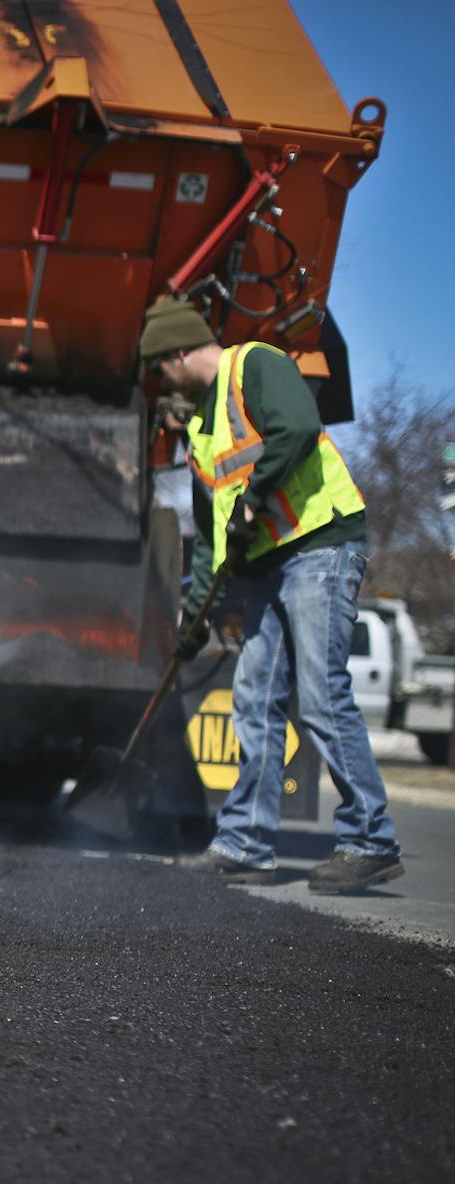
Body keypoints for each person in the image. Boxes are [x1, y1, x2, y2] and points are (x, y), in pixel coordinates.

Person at [140, 296, 403, 892]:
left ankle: (371, 840)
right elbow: (210, 543)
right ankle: (245, 843)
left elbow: (299, 426)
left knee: (321, 695)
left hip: (320, 544)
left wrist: (254, 499)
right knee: (254, 698)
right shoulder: (202, 435)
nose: (161, 381)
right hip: (265, 567)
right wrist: (194, 616)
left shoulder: (255, 365)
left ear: (179, 352)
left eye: (161, 367)